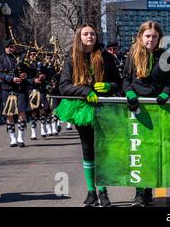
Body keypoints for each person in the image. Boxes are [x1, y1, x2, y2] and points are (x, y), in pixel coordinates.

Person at [54, 23, 121, 207]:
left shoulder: (106, 57)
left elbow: (119, 83)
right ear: (79, 37)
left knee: (103, 151)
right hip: (82, 109)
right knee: (88, 149)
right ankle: (91, 192)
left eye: (92, 33)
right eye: (86, 34)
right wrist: (84, 91)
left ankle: (103, 191)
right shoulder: (72, 58)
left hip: (104, 107)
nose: (90, 36)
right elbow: (64, 85)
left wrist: (109, 87)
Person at [122, 21, 170, 207]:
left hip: (158, 108)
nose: (151, 39)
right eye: (147, 36)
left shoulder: (166, 56)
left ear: (159, 38)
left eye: (154, 36)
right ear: (141, 36)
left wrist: (166, 93)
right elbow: (125, 79)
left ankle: (149, 191)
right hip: (138, 108)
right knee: (139, 151)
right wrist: (128, 92)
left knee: (153, 151)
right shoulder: (133, 54)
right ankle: (139, 194)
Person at [0, 40, 30, 147]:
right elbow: (0, 73)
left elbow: (31, 69)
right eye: (8, 47)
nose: (10, 48)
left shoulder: (21, 56)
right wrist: (11, 78)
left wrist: (25, 74)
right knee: (9, 113)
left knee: (21, 112)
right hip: (7, 89)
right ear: (5, 48)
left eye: (12, 46)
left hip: (21, 89)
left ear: (15, 47)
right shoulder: (1, 58)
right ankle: (13, 138)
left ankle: (21, 138)